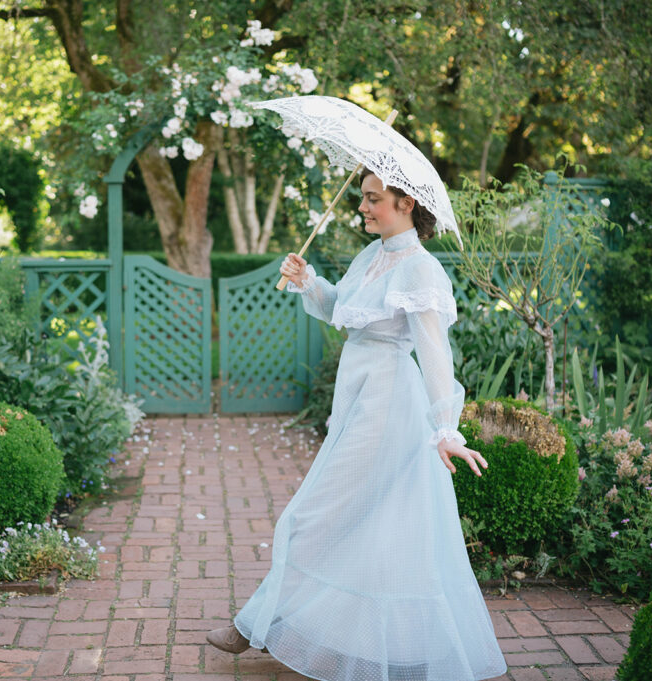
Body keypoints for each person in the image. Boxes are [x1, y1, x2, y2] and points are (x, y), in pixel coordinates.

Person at [205, 168, 508, 681]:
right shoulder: (374, 255)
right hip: (359, 398)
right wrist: (309, 282)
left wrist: (447, 429)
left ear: (406, 202)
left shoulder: (420, 270)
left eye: (373, 199)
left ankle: (257, 623)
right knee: (370, 525)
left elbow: (435, 356)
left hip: (388, 404)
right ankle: (374, 642)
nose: (362, 208)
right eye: (363, 198)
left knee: (312, 516)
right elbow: (342, 310)